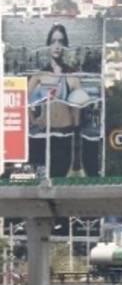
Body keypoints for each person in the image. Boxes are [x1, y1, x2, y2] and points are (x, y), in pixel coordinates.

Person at [27, 24, 87, 177]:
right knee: (43, 176)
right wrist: (33, 120)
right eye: (53, 41)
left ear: (65, 45)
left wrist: (76, 135)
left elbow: (77, 111)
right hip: (44, 133)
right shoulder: (40, 75)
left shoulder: (72, 76)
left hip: (65, 134)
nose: (57, 46)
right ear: (48, 45)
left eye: (60, 41)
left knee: (59, 176)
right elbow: (25, 99)